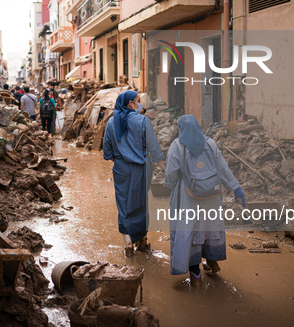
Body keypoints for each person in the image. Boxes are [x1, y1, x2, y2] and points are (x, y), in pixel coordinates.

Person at [164, 115, 245, 287]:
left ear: (181, 129)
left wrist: (170, 185)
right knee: (209, 228)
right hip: (212, 196)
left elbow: (171, 175)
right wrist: (236, 188)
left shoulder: (177, 146)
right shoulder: (211, 143)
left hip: (188, 197)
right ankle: (211, 261)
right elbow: (222, 168)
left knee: (190, 230)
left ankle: (196, 276)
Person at [103, 90, 166, 257]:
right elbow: (155, 149)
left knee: (123, 205)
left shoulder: (111, 123)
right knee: (141, 203)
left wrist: (121, 159)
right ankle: (143, 241)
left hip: (121, 170)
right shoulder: (144, 121)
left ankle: (128, 244)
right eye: (138, 100)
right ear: (131, 104)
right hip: (142, 169)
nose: (141, 103)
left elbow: (107, 153)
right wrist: (164, 169)